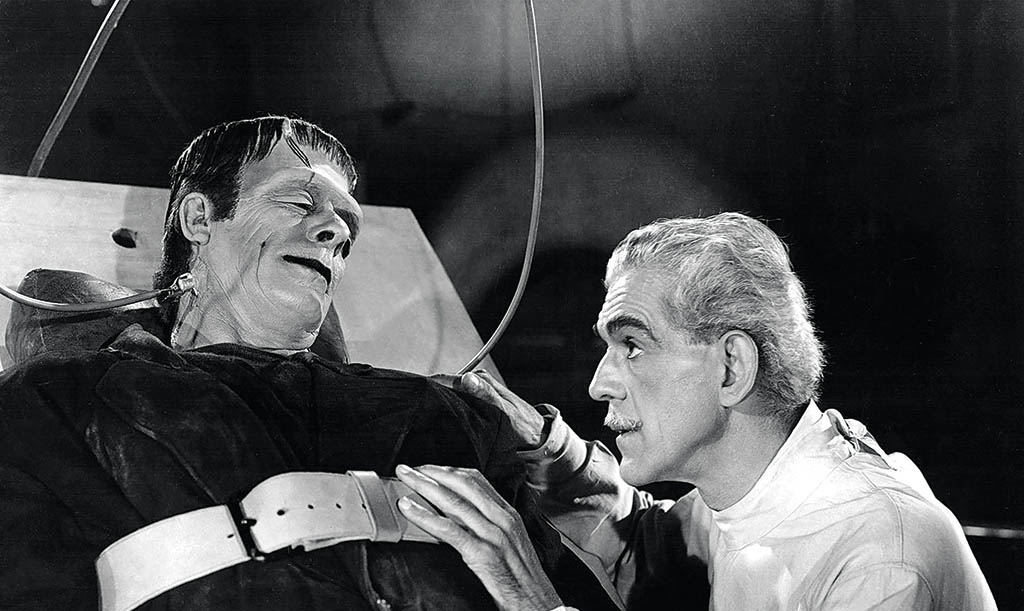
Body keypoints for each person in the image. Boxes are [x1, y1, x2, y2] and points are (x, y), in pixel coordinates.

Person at [0, 116, 576, 610]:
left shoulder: (454, 416)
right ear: (199, 219)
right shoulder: (58, 401)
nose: (336, 231)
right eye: (298, 202)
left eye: (347, 227)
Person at [395, 212, 997, 610]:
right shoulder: (754, 486)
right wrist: (547, 449)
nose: (600, 384)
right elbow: (646, 543)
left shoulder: (881, 558)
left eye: (633, 345)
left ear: (732, 367)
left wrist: (531, 600)